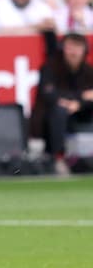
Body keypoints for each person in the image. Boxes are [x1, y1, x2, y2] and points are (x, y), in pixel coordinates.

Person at [37, 32, 93, 174]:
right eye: (70, 48)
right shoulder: (51, 67)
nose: (73, 52)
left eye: (77, 48)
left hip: (82, 112)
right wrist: (79, 98)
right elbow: (48, 93)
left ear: (84, 50)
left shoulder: (88, 71)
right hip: (53, 115)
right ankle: (59, 158)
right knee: (59, 111)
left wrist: (78, 104)